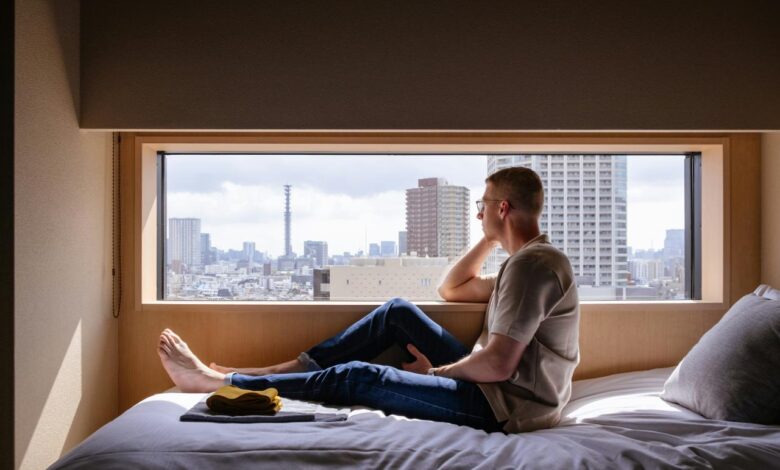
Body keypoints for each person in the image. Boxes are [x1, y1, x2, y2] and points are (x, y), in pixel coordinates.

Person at [159, 167, 580, 433]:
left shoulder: (531, 268)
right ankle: (273, 370)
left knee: (361, 377)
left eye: (482, 206)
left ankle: (228, 383)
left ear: (502, 207)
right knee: (398, 312)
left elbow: (498, 364)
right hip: (503, 386)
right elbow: (451, 288)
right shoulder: (523, 263)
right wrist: (491, 238)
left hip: (508, 405)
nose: (477, 213)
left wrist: (436, 372)